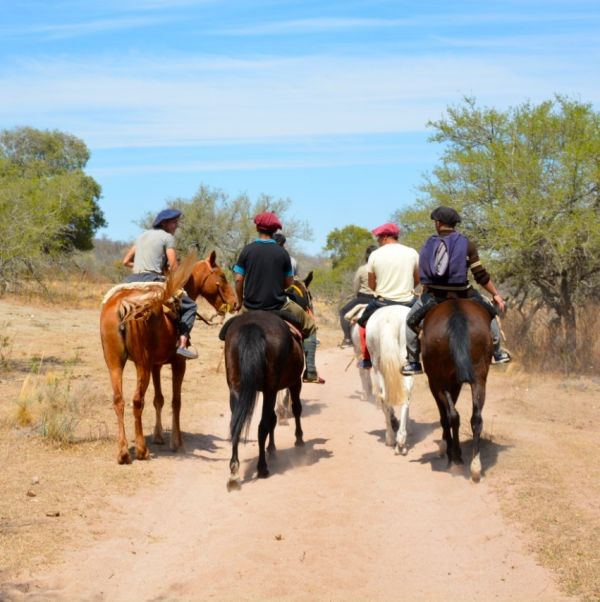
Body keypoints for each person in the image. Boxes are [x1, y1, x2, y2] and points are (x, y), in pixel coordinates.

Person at [402, 205, 511, 376]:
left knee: (410, 321)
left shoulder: (428, 245)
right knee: (490, 314)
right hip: (464, 293)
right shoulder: (468, 244)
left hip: (434, 296)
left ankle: (413, 362)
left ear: (438, 223)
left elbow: (424, 275)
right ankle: (498, 352)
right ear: (454, 224)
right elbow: (480, 275)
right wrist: (495, 294)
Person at [233, 211, 325, 384]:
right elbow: (289, 283)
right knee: (310, 326)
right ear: (275, 229)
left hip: (250, 306)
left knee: (229, 331)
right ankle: (311, 370)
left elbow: (238, 280)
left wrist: (240, 301)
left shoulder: (247, 250)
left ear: (256, 227)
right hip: (278, 305)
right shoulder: (282, 254)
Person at [122, 208, 198, 359]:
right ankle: (182, 345)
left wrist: (141, 267)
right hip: (153, 279)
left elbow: (126, 261)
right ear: (164, 223)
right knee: (190, 306)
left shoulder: (141, 236)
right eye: (174, 222)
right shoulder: (167, 237)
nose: (177, 225)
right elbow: (174, 266)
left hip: (131, 280)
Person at [356, 223, 420, 369]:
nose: (377, 241)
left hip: (382, 302)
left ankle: (367, 359)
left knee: (362, 322)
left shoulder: (375, 255)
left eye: (378, 238)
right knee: (426, 323)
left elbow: (372, 285)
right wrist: (407, 288)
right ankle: (416, 360)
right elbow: (418, 279)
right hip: (408, 301)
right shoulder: (412, 252)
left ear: (385, 237)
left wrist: (383, 287)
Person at [338, 245, 378, 347]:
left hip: (363, 298)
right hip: (377, 298)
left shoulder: (362, 269)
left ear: (366, 256)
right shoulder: (381, 268)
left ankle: (347, 339)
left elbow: (356, 286)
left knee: (343, 312)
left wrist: (355, 295)